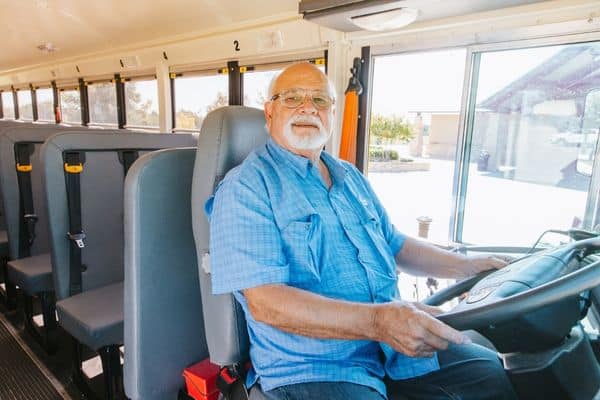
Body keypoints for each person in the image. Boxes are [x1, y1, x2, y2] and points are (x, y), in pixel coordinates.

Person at [205, 62, 518, 400]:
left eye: (320, 100)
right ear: (269, 113)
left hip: (392, 350)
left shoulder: (349, 177)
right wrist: (379, 322)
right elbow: (267, 304)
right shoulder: (246, 188)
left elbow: (395, 244)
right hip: (313, 368)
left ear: (332, 114)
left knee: (487, 372)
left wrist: (468, 265)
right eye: (292, 98)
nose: (308, 107)